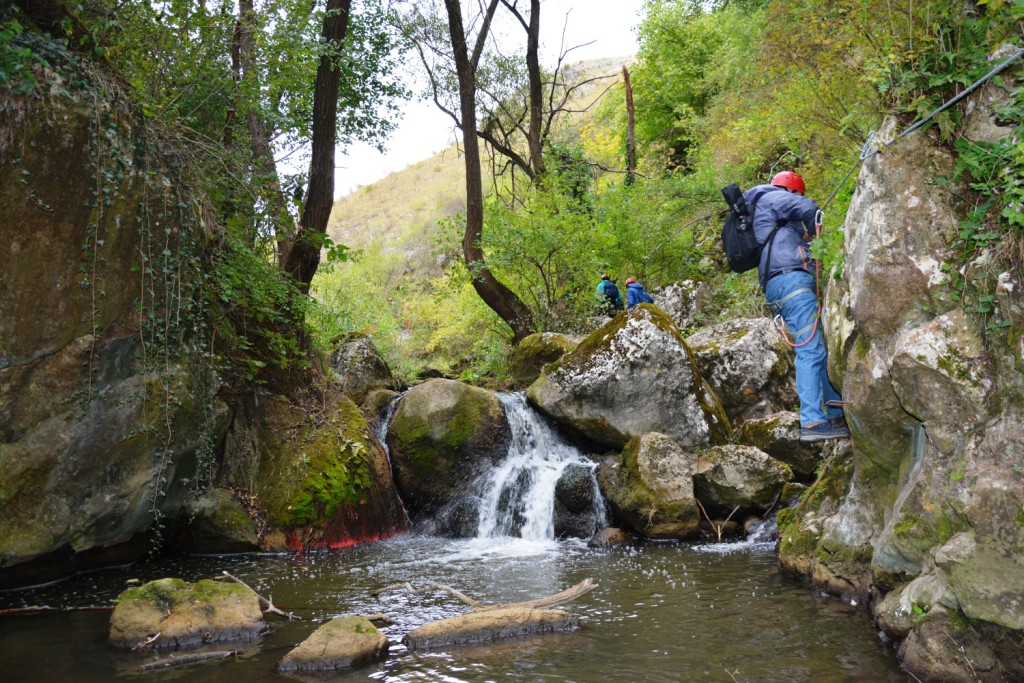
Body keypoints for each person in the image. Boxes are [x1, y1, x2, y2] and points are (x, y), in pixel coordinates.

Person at [746, 171, 849, 443]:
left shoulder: (765, 213)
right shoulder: (773, 198)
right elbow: (810, 208)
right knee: (810, 349)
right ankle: (813, 422)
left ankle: (836, 413)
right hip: (792, 281)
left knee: (816, 346)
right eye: (797, 194)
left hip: (779, 284)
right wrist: (815, 235)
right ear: (791, 191)